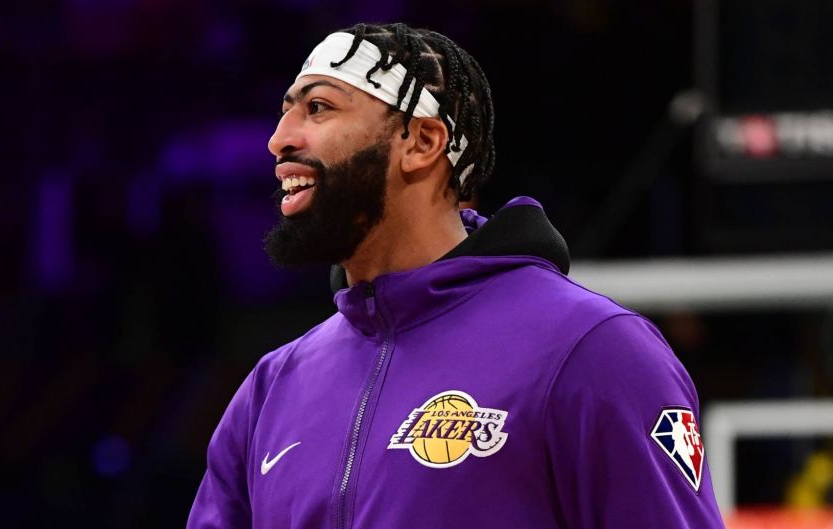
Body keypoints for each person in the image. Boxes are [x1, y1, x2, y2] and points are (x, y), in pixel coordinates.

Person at [187, 22, 725, 529]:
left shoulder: (590, 348)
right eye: (286, 111)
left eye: (319, 108)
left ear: (422, 142)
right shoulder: (272, 388)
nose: (279, 139)